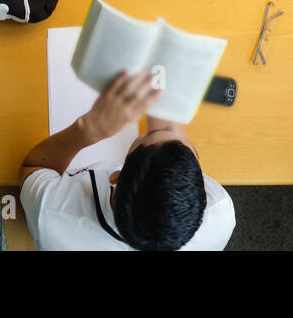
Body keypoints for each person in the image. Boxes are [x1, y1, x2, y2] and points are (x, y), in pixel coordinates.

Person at [19, 69, 235, 250]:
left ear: (116, 175)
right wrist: (160, 86)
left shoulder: (52, 212)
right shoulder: (220, 213)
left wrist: (90, 129)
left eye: (148, 136)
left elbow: (33, 168)